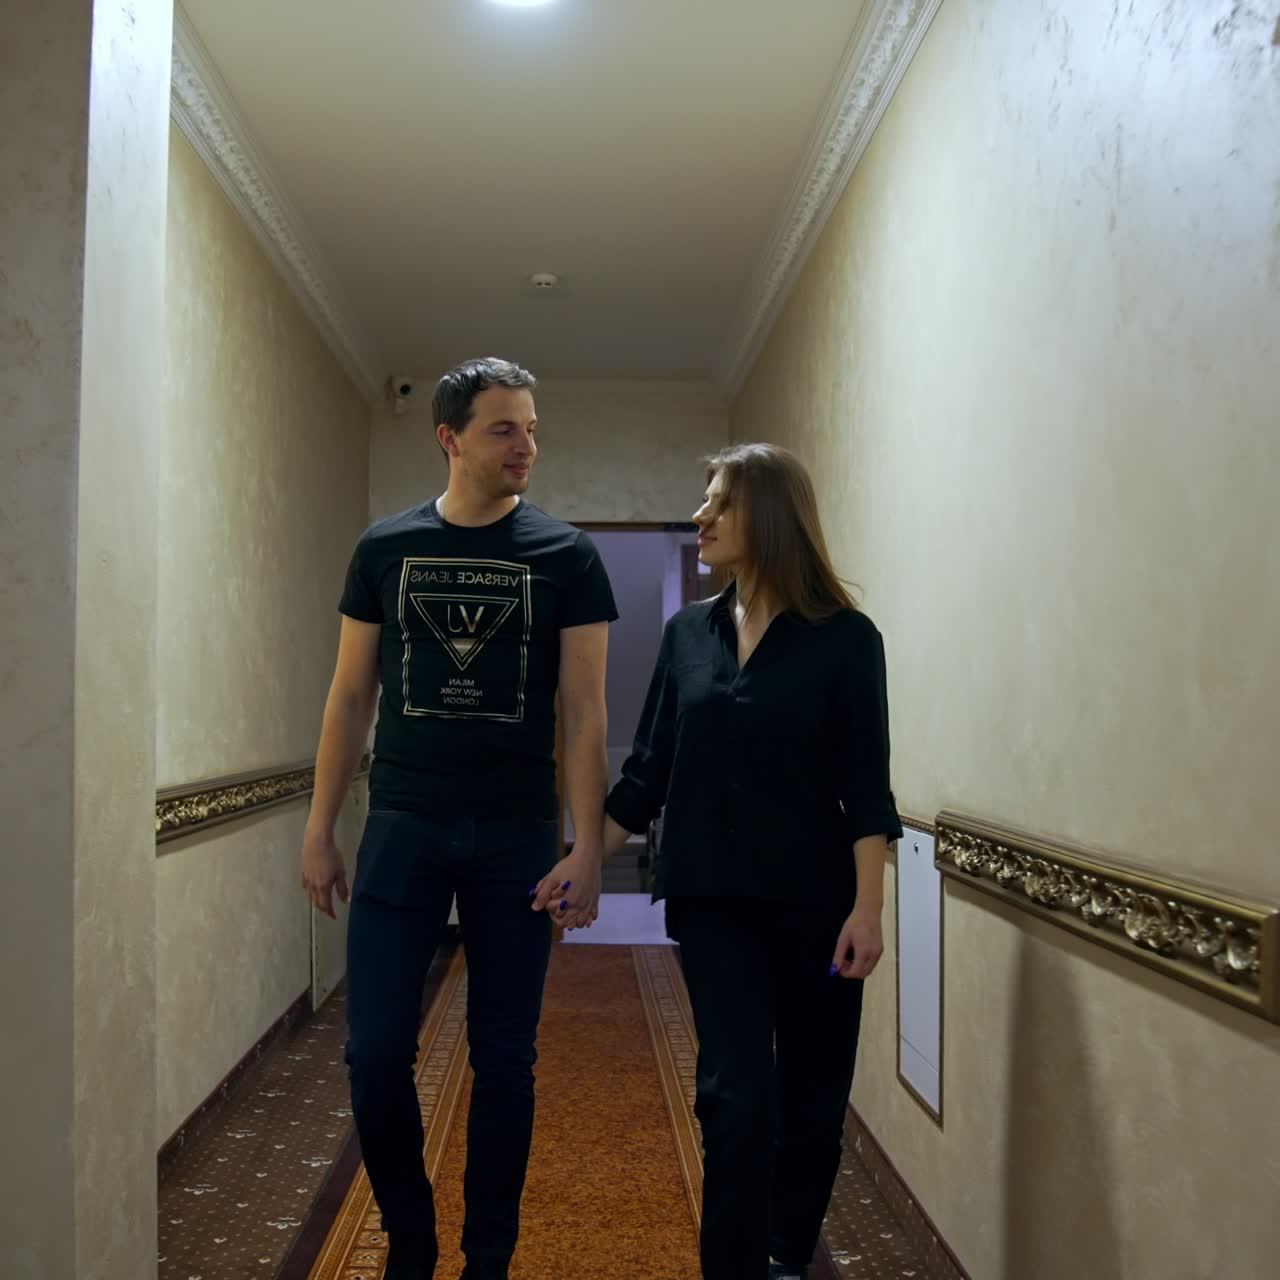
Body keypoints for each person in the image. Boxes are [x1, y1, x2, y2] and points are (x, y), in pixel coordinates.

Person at [300, 357, 616, 1280]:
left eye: (531, 427)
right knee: (375, 1053)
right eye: (503, 429)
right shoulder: (384, 549)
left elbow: (587, 714)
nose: (526, 446)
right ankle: (411, 1235)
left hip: (514, 839)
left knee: (504, 1061)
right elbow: (350, 695)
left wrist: (586, 846)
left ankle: (488, 1256)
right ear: (449, 438)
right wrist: (321, 827)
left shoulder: (567, 557)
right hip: (402, 824)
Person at [593, 442, 901, 1280]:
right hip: (713, 901)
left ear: (767, 516)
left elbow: (866, 788)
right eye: (705, 502)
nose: (702, 517)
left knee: (811, 1102)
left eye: (720, 503)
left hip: (818, 906)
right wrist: (584, 859)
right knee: (734, 1099)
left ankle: (784, 1256)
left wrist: (868, 909)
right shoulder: (688, 634)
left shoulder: (845, 640)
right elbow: (648, 767)